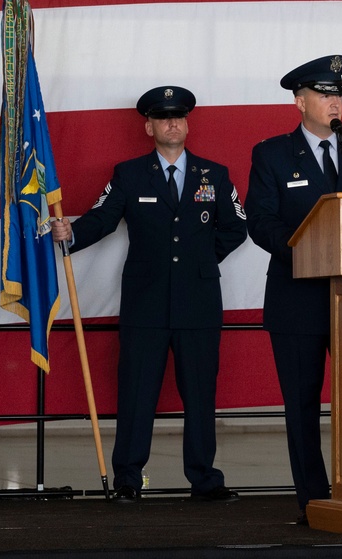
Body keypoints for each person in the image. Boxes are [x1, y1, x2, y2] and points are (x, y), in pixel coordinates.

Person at [51, 86, 247, 503]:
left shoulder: (215, 174)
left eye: (179, 117)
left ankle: (204, 479)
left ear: (187, 123)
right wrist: (72, 233)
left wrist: (199, 260)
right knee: (137, 392)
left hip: (198, 303)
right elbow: (104, 217)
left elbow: (236, 226)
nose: (173, 123)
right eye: (163, 118)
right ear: (149, 126)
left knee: (199, 394)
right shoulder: (129, 174)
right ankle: (128, 478)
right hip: (145, 301)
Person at [244, 55, 342, 523]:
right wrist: (306, 254)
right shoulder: (271, 154)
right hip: (298, 298)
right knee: (303, 404)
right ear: (300, 101)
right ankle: (313, 500)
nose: (335, 103)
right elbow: (261, 222)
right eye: (325, 95)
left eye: (339, 95)